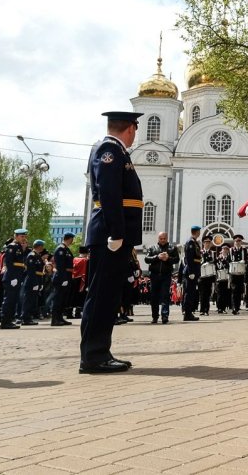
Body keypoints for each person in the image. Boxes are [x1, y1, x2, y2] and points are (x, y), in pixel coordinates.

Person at [80, 110, 143, 374]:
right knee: (102, 295)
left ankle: (100, 352)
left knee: (108, 296)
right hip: (110, 235)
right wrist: (116, 233)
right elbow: (108, 192)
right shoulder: (109, 149)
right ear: (130, 129)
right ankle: (93, 357)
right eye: (135, 131)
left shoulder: (116, 151)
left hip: (114, 235)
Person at [145, 231, 179, 324]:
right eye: (161, 238)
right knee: (154, 297)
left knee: (165, 296)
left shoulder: (172, 247)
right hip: (154, 275)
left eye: (164, 238)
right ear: (158, 238)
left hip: (166, 275)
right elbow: (146, 259)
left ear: (167, 238)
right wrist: (157, 257)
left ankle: (165, 316)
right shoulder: (152, 248)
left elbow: (177, 259)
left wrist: (168, 259)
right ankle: (155, 316)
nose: (163, 240)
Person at [50, 232, 75, 326]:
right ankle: (55, 319)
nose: (73, 241)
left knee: (63, 299)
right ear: (69, 239)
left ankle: (60, 318)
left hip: (66, 275)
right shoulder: (60, 249)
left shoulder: (66, 249)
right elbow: (60, 265)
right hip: (61, 276)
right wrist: (64, 277)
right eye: (72, 239)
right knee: (58, 299)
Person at [21, 239, 46, 325]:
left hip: (37, 279)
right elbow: (31, 271)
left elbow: (40, 271)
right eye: (42, 246)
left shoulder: (37, 255)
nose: (43, 248)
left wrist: (40, 283)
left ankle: (28, 317)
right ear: (39, 246)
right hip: (32, 281)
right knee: (28, 300)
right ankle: (25, 318)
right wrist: (35, 283)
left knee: (32, 300)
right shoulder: (31, 255)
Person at [181, 226, 203, 321]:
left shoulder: (194, 242)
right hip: (191, 272)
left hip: (194, 271)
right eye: (199, 231)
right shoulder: (190, 242)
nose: (199, 233)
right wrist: (191, 272)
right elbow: (189, 258)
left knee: (191, 293)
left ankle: (188, 313)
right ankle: (187, 313)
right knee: (189, 293)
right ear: (197, 232)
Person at [227, 234, 248, 315]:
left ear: (241, 242)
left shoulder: (244, 250)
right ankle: (234, 308)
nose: (238, 242)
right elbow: (228, 260)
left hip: (241, 273)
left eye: (239, 241)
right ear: (234, 242)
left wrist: (244, 262)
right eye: (236, 241)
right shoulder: (231, 250)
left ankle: (237, 307)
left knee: (239, 291)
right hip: (233, 273)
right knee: (234, 290)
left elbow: (246, 260)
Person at [197, 236, 216, 316]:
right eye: (206, 242)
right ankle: (201, 309)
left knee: (208, 293)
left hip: (209, 276)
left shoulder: (213, 253)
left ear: (211, 243)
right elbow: (197, 263)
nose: (207, 244)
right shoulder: (199, 252)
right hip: (201, 276)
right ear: (203, 243)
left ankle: (206, 310)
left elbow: (215, 264)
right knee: (202, 293)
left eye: (209, 242)